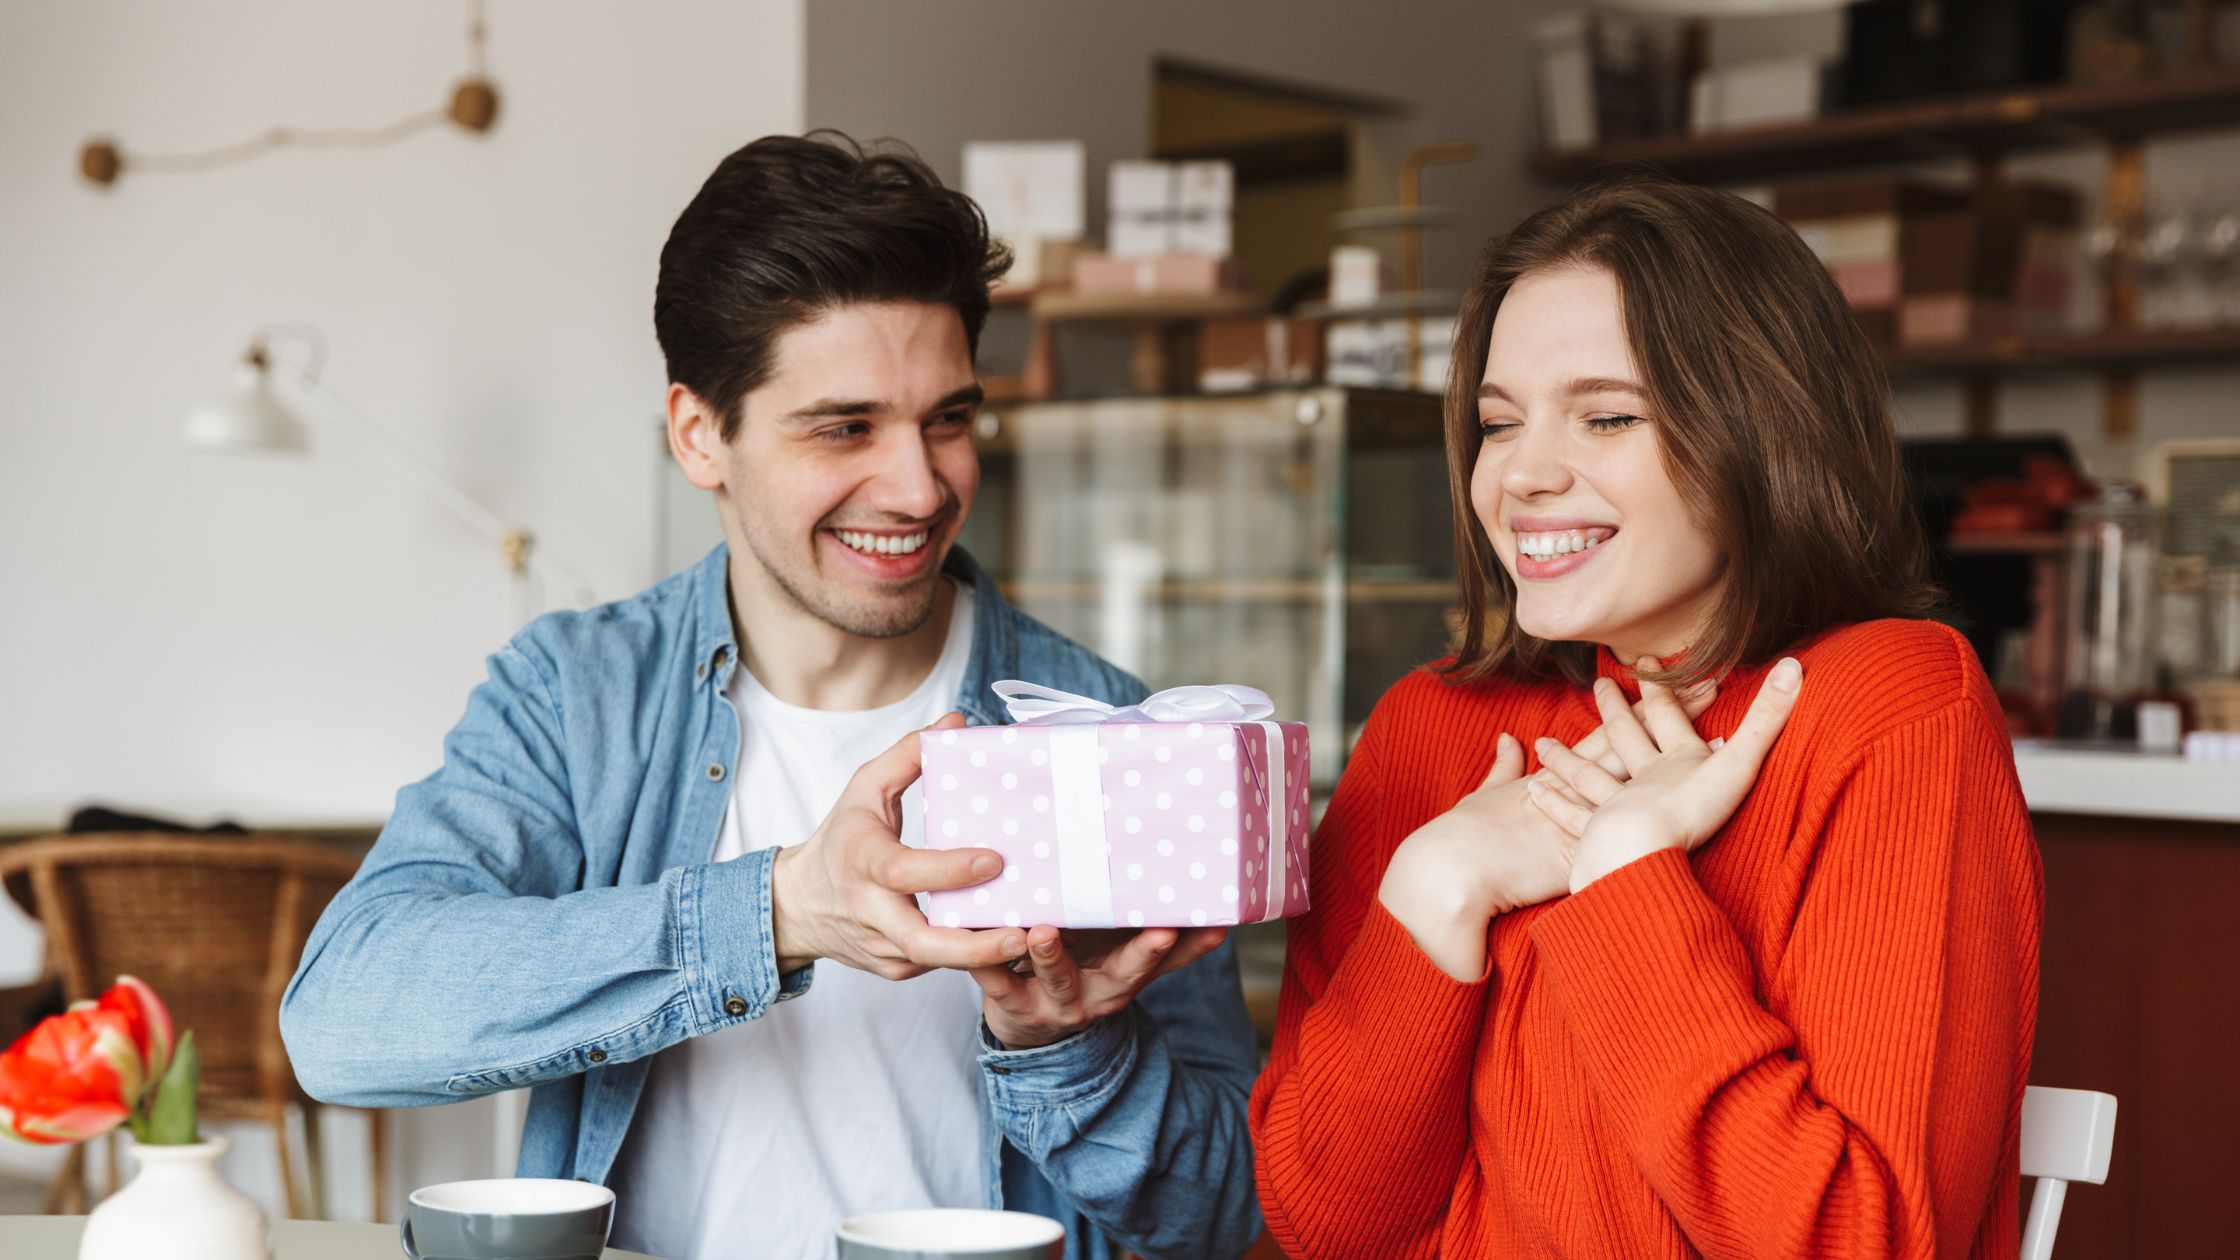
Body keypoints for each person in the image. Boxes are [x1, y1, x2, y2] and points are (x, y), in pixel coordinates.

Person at [281, 132, 1261, 1260]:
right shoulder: (576, 695)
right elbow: (344, 1022)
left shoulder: (1107, 726)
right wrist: (782, 912)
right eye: (845, 426)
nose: (918, 484)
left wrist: (1065, 1050)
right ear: (700, 435)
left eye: (947, 418)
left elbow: (1228, 1214)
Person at [1250, 176, 2041, 1258]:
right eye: (1495, 424)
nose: (1521, 474)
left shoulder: (1890, 707)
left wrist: (1624, 878)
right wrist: (1434, 890)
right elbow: (1322, 1227)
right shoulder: (1428, 727)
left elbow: (1859, 1243)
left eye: (1606, 415)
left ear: (1761, 429)